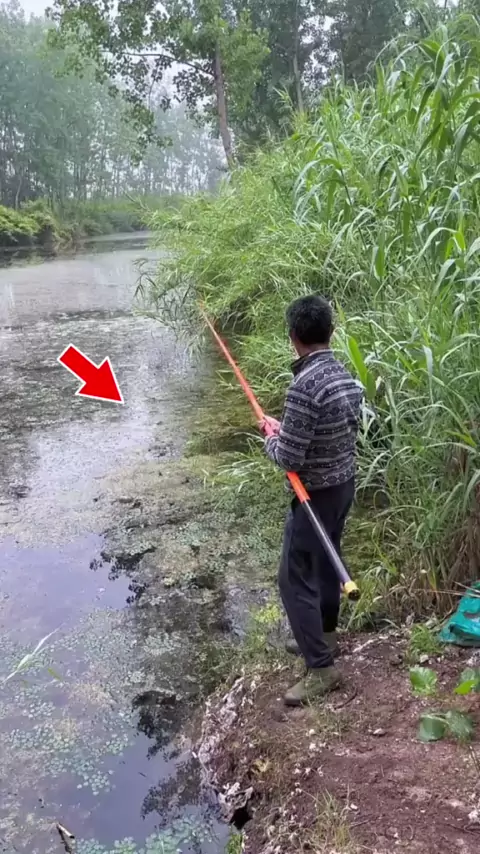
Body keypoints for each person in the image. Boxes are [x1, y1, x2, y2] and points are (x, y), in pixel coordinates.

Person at [260, 295, 362, 707]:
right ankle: (325, 635)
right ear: (330, 332)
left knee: (293, 576)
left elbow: (289, 458)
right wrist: (285, 428)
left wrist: (271, 439)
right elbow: (325, 432)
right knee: (326, 564)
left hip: (313, 498)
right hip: (343, 488)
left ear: (293, 337)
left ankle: (321, 668)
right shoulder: (344, 375)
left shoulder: (303, 386)